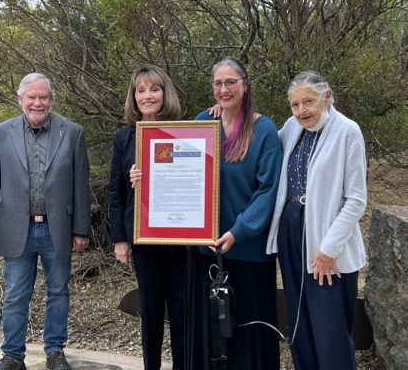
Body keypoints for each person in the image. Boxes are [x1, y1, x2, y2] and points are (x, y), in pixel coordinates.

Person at [0, 73, 91, 370]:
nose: (37, 102)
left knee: (58, 291)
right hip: (15, 226)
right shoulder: (1, 133)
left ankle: (55, 351)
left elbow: (81, 184)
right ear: (20, 100)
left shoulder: (72, 133)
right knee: (16, 292)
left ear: (51, 99)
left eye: (43, 97)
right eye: (31, 97)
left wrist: (81, 228)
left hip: (58, 227)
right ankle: (12, 355)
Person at [266, 71, 367, 370]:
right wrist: (227, 109)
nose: (301, 111)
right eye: (295, 104)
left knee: (329, 327)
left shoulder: (348, 131)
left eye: (308, 101)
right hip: (292, 233)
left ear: (327, 97)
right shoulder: (291, 128)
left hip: (327, 242)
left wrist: (328, 250)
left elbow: (356, 200)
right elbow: (262, 137)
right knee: (300, 323)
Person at [186, 57, 282, 369]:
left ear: (245, 84)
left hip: (248, 250)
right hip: (207, 250)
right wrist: (144, 175)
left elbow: (268, 192)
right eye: (218, 83)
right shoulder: (204, 121)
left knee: (248, 337)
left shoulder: (264, 130)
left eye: (231, 82)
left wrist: (238, 231)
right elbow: (181, 171)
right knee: (213, 338)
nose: (224, 89)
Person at [108, 64, 186, 370]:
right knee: (151, 309)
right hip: (143, 236)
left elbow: (194, 179)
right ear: (134, 97)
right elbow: (115, 194)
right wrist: (119, 240)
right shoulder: (124, 138)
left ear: (164, 93)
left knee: (180, 309)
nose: (147, 95)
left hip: (181, 237)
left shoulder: (186, 131)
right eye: (141, 90)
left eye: (154, 89)